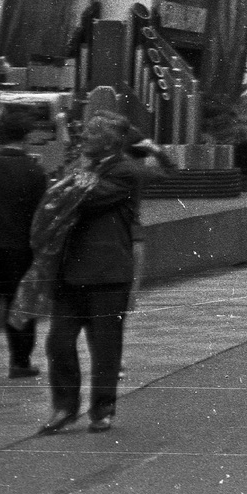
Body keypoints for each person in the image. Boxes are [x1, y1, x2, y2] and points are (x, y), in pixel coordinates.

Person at [33, 113, 162, 433]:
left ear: (109, 142)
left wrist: (69, 177)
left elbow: (81, 198)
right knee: (58, 343)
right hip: (70, 272)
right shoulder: (84, 167)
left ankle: (102, 409)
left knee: (105, 347)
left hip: (107, 273)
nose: (84, 137)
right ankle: (65, 407)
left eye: (91, 133)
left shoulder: (124, 171)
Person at [0, 108, 47, 378]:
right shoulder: (34, 171)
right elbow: (41, 215)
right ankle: (20, 362)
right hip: (20, 249)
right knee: (20, 304)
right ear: (26, 137)